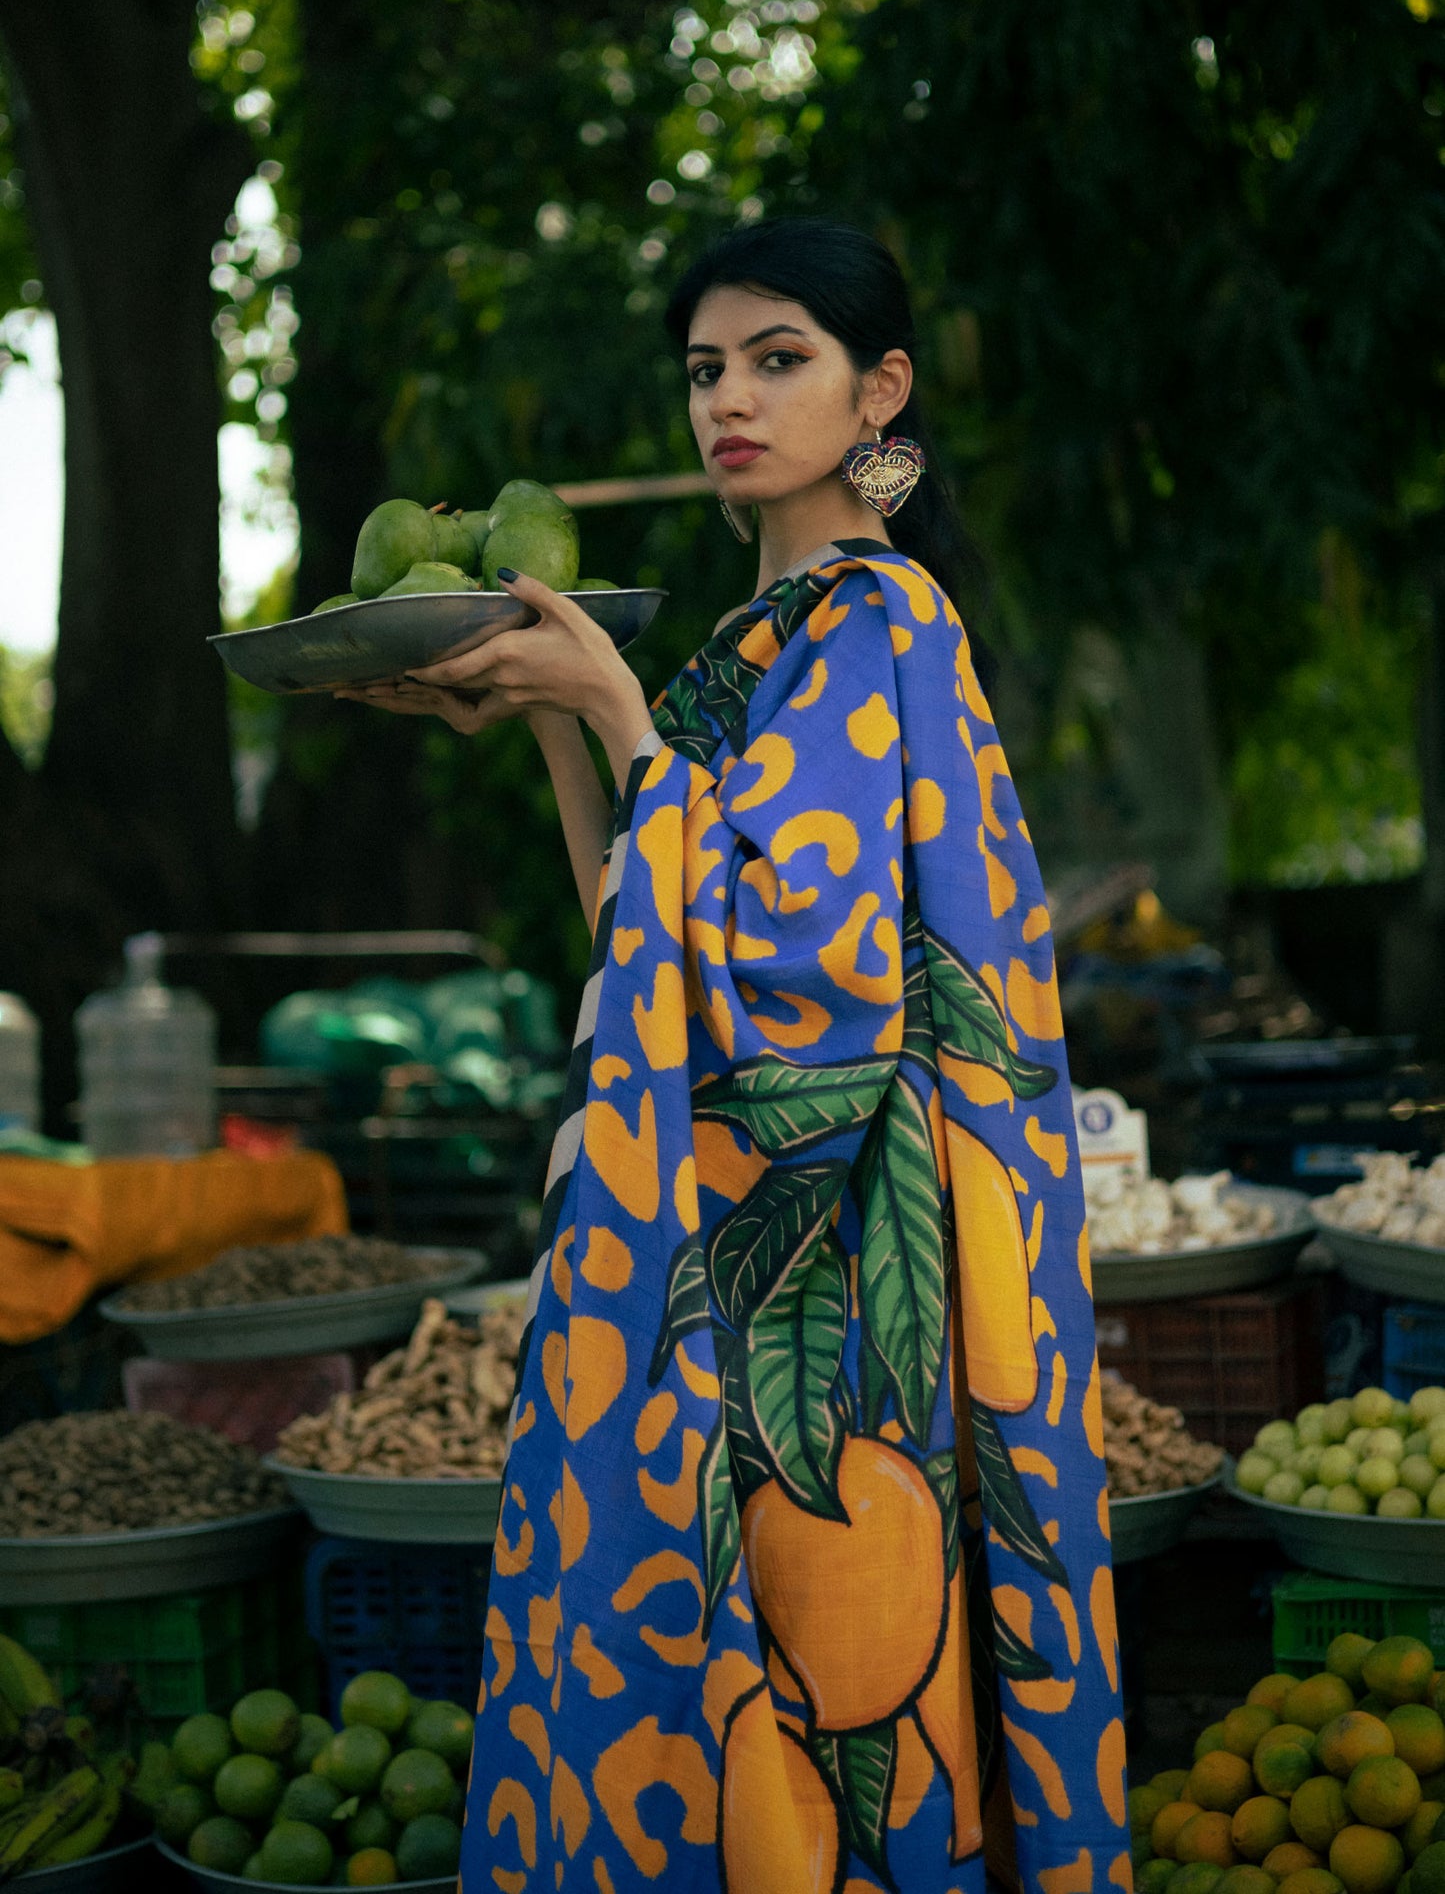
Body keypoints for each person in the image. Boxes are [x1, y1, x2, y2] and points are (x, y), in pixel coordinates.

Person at [341, 218, 1127, 1894]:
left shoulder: (873, 620)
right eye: (707, 369)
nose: (731, 400)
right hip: (748, 1241)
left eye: (779, 359)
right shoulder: (737, 650)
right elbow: (645, 928)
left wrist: (618, 712)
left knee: (820, 1668)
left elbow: (802, 983)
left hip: (831, 1262)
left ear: (880, 392)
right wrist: (554, 716)